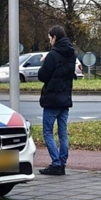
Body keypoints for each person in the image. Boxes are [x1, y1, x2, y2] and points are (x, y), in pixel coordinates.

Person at [37, 25, 75, 175]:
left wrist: (44, 61)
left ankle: (56, 163)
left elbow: (43, 76)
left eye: (50, 38)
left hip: (52, 99)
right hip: (65, 97)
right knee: (63, 132)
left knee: (47, 132)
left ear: (54, 37)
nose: (50, 41)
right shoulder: (71, 54)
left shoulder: (52, 55)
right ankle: (63, 161)